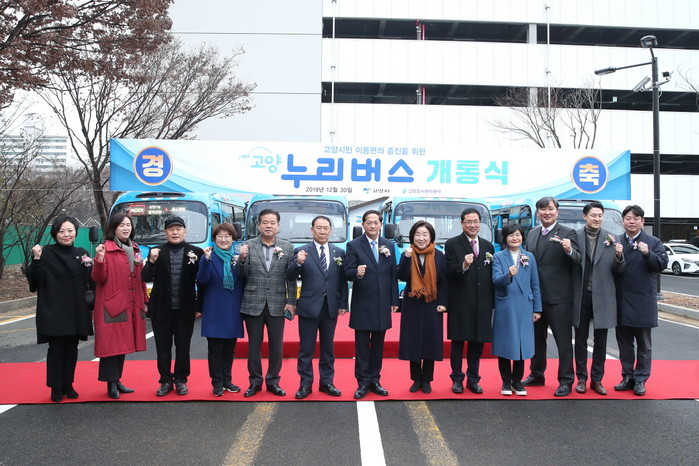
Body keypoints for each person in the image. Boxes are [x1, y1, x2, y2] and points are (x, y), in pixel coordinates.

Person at [25, 215, 94, 402]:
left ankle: (68, 384)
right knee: (56, 349)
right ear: (55, 233)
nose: (66, 234)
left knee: (72, 348)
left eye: (70, 230)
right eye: (62, 231)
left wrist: (92, 305)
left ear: (76, 233)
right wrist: (36, 259)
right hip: (54, 309)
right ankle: (55, 387)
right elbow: (35, 282)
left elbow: (91, 281)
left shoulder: (82, 253)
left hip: (76, 309)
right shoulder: (46, 253)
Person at [523, 197, 580, 397]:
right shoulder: (532, 233)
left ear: (557, 211)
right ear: (537, 212)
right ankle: (537, 374)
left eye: (550, 209)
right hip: (536, 297)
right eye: (542, 209)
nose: (546, 213)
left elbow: (578, 259)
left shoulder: (568, 233)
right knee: (537, 340)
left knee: (563, 342)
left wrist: (569, 249)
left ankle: (566, 380)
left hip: (559, 298)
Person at [286, 215, 349, 399]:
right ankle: (305, 384)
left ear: (331, 230)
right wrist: (298, 263)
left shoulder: (339, 252)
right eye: (319, 228)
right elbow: (290, 275)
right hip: (308, 307)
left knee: (328, 348)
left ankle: (327, 382)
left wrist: (343, 304)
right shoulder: (302, 251)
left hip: (330, 307)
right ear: (312, 230)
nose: (322, 231)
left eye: (325, 228)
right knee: (306, 349)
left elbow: (342, 281)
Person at [141, 216, 203, 397]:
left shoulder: (196, 252)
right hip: (161, 309)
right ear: (165, 232)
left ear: (185, 231)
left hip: (186, 308)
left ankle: (181, 380)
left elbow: (202, 281)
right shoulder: (157, 251)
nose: (175, 232)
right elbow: (145, 277)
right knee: (162, 347)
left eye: (178, 229)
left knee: (183, 347)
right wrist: (151, 261)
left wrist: (199, 306)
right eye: (171, 229)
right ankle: (165, 380)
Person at [237, 209, 296, 397]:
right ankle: (255, 382)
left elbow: (290, 278)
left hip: (278, 303)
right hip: (253, 302)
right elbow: (241, 274)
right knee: (254, 346)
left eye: (272, 222)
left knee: (276, 347)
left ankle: (273, 381)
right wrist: (242, 259)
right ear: (259, 225)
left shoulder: (287, 247)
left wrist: (291, 301)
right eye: (265, 222)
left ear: (278, 226)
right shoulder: (248, 245)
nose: (268, 226)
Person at [571, 202, 625, 395]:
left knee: (600, 340)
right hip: (581, 295)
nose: (597, 219)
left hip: (603, 296)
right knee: (580, 339)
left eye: (600, 215)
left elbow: (620, 269)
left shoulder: (612, 238)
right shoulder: (575, 236)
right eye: (593, 215)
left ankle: (597, 379)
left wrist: (619, 255)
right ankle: (581, 379)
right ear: (584, 216)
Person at [92, 213, 148, 399]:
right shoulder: (105, 249)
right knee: (111, 345)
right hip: (111, 305)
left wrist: (144, 300)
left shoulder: (135, 248)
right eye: (121, 225)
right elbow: (98, 278)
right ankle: (110, 383)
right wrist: (99, 260)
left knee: (123, 343)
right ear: (113, 228)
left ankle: (117, 380)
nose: (126, 228)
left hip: (131, 303)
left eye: (128, 225)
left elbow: (140, 277)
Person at [613, 205, 668, 396]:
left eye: (636, 218)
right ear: (623, 221)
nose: (632, 221)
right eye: (628, 218)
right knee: (624, 343)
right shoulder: (616, 241)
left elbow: (661, 265)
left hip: (643, 301)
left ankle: (641, 379)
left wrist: (647, 253)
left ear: (642, 222)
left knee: (644, 345)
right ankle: (627, 376)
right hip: (621, 300)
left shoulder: (653, 242)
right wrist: (617, 255)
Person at [345, 210, 399, 400]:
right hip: (362, 303)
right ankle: (362, 382)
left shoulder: (388, 245)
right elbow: (347, 272)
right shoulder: (354, 245)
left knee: (378, 346)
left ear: (381, 224)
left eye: (376, 222)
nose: (373, 226)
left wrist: (394, 300)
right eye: (369, 222)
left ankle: (375, 380)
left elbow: (392, 275)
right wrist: (356, 273)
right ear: (363, 225)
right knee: (361, 347)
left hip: (382, 303)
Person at [444, 208, 495, 395]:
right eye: (468, 222)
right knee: (458, 342)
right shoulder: (452, 244)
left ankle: (473, 379)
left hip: (482, 303)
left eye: (475, 221)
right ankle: (457, 379)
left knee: (477, 343)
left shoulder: (488, 246)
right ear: (462, 223)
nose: (472, 225)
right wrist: (464, 265)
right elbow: (449, 271)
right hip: (461, 301)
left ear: (480, 223)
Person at [397, 221, 448, 394]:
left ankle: (426, 379)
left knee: (430, 341)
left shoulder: (439, 256)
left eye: (425, 234)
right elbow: (402, 276)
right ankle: (416, 378)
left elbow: (444, 282)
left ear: (431, 237)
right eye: (418, 234)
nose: (421, 238)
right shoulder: (407, 253)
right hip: (412, 302)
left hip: (432, 303)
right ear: (412, 237)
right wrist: (406, 258)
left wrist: (443, 303)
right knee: (412, 341)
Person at [492, 223, 542, 396]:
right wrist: (508, 275)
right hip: (505, 306)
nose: (515, 238)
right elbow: (496, 280)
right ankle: (506, 382)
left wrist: (537, 309)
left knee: (522, 345)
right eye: (511, 235)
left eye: (518, 235)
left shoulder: (529, 257)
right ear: (505, 238)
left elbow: (535, 284)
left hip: (525, 306)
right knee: (505, 344)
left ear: (523, 237)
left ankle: (517, 381)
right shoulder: (498, 257)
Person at [197, 223, 245, 397]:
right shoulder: (208, 256)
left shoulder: (238, 258)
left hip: (233, 310)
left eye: (227, 236)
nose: (224, 240)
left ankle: (227, 380)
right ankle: (217, 383)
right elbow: (202, 280)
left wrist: (243, 260)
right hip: (214, 309)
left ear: (233, 239)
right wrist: (206, 260)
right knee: (215, 350)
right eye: (220, 236)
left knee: (229, 349)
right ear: (215, 239)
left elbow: (245, 279)